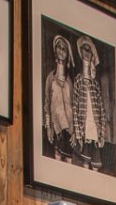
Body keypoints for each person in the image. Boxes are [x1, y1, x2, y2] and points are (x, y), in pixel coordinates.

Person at [72, 36, 110, 171]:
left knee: (96, 164)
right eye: (84, 49)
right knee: (85, 163)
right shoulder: (78, 79)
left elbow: (101, 111)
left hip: (95, 129)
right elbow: (75, 108)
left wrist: (102, 134)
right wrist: (78, 133)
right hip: (84, 129)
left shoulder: (95, 84)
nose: (87, 52)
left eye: (89, 50)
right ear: (80, 51)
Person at [43, 35, 74, 161]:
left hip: (69, 128)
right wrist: (48, 127)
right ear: (55, 50)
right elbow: (47, 104)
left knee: (69, 161)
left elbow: (74, 106)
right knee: (57, 158)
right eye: (59, 47)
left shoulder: (69, 81)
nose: (61, 50)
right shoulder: (50, 78)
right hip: (56, 127)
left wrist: (75, 132)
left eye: (64, 49)